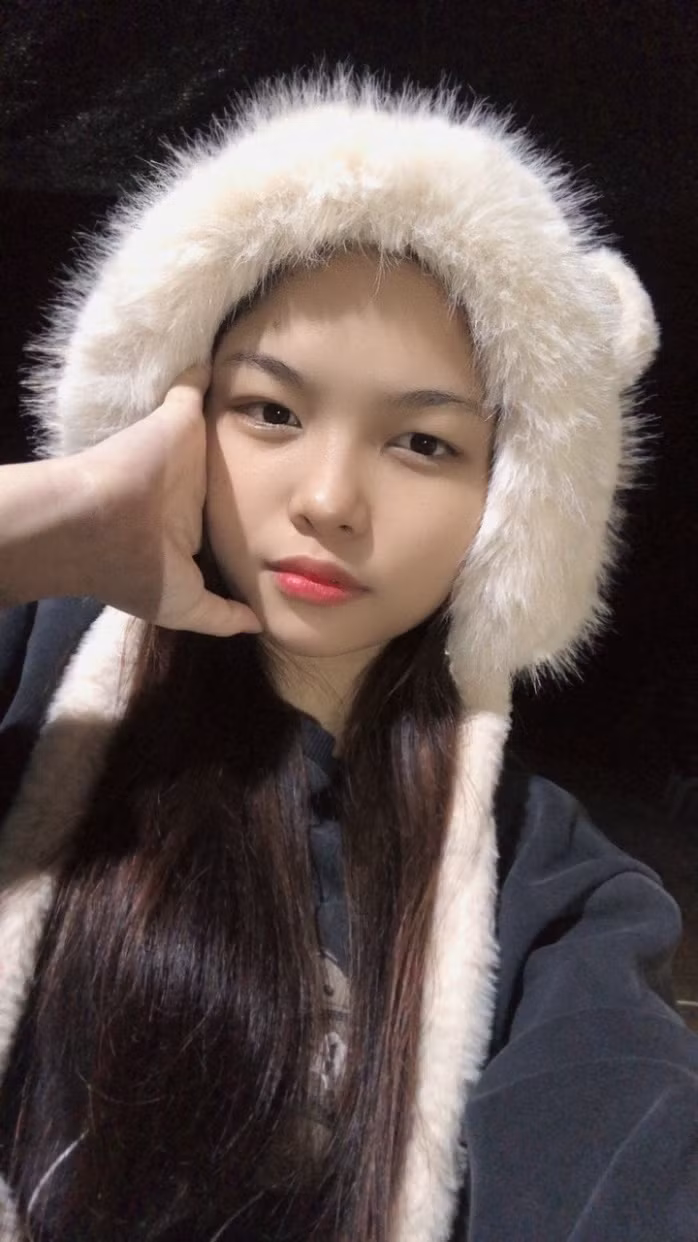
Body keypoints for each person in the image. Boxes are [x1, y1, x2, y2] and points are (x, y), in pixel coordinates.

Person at [1, 65, 697, 1242]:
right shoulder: (39, 674)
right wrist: (55, 514)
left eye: (421, 443)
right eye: (270, 411)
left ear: (510, 500)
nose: (327, 499)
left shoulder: (550, 890)